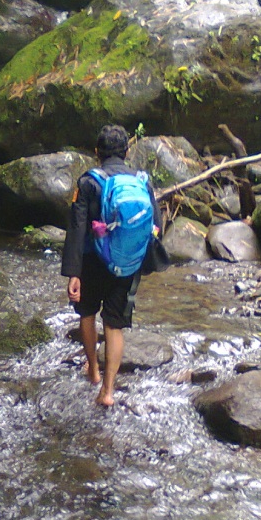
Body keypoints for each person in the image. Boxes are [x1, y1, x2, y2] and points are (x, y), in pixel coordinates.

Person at [61, 124, 162, 407]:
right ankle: (107, 392)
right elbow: (156, 225)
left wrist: (73, 273)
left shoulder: (88, 181)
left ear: (97, 153)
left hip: (93, 262)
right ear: (127, 151)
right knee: (114, 326)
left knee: (88, 314)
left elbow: (77, 228)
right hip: (128, 263)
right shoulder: (142, 180)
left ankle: (93, 370)